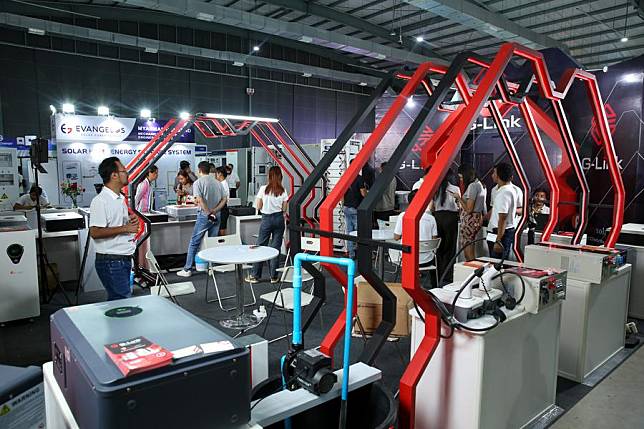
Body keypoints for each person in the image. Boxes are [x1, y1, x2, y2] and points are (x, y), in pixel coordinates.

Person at [89, 157, 139, 301]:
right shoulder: (101, 201)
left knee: (118, 303)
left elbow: (116, 224)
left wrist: (129, 221)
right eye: (124, 171)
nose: (127, 173)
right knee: (122, 302)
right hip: (111, 261)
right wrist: (125, 227)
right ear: (114, 175)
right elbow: (95, 232)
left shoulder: (119, 199)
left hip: (121, 259)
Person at [177, 161, 227, 277]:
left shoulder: (198, 183)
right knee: (213, 241)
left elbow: (200, 200)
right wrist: (215, 211)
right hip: (217, 215)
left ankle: (187, 269)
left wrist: (208, 212)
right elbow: (224, 199)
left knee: (194, 242)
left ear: (199, 170)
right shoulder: (218, 183)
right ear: (209, 170)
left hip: (204, 216)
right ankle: (212, 268)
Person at [245, 166, 288, 284]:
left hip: (266, 219)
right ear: (280, 177)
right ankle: (274, 276)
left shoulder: (263, 189)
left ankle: (255, 275)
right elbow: (284, 208)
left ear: (269, 176)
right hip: (279, 218)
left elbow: (258, 206)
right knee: (275, 248)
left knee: (260, 246)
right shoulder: (283, 190)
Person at [392, 190, 439, 286]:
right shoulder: (431, 218)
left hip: (409, 260)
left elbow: (396, 237)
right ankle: (434, 286)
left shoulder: (403, 216)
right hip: (427, 260)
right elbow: (434, 240)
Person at [431, 170, 460, 283]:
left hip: (438, 217)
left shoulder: (435, 188)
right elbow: (459, 205)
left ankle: (438, 273)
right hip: (451, 218)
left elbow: (432, 207)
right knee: (450, 247)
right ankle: (447, 275)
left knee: (438, 247)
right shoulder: (455, 188)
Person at [487, 162, 517, 260]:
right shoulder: (507, 190)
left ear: (499, 175)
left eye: (494, 172)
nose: (492, 175)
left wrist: (498, 240)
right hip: (498, 231)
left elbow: (502, 217)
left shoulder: (504, 192)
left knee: (497, 264)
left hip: (501, 233)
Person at [134, 165, 158, 271]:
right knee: (141, 238)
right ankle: (140, 263)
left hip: (146, 213)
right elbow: (136, 199)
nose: (157, 175)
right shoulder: (143, 184)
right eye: (155, 173)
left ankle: (144, 262)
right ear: (149, 173)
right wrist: (134, 213)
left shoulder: (149, 184)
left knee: (145, 239)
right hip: (141, 214)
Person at [342, 164, 367, 259]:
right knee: (359, 232)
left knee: (349, 232)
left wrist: (344, 204)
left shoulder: (345, 178)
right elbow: (363, 193)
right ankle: (361, 254)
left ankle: (351, 254)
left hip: (346, 208)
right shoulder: (359, 178)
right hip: (356, 208)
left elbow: (342, 194)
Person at [214, 166, 230, 236]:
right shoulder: (221, 183)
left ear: (220, 174)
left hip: (223, 208)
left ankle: (223, 245)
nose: (215, 176)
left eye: (216, 174)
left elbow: (222, 199)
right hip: (220, 208)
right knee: (219, 229)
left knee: (222, 230)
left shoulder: (223, 184)